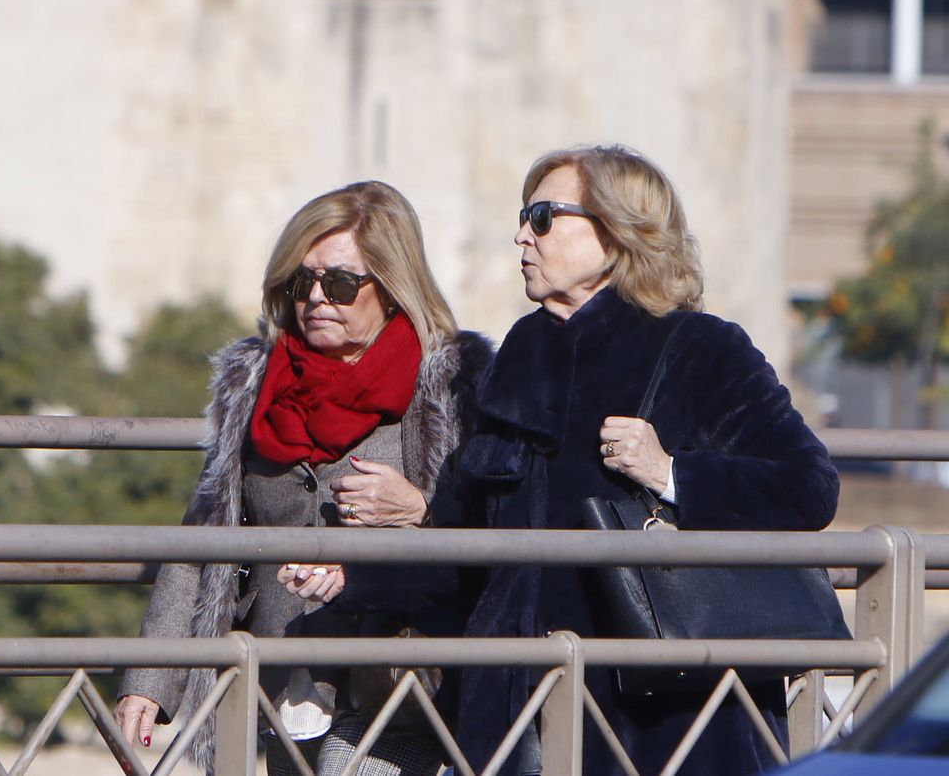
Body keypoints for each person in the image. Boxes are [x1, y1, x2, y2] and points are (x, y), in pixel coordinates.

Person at [326, 145, 841, 775]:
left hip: (666, 716)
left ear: (620, 231)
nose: (522, 234)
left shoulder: (700, 348)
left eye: (544, 216)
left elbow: (810, 489)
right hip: (519, 713)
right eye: (523, 215)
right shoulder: (519, 356)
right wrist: (353, 576)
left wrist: (671, 473)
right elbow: (468, 545)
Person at [113, 180, 492, 776]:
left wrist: (421, 508)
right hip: (277, 671)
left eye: (340, 283)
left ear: (392, 288)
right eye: (302, 281)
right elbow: (202, 538)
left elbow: (492, 527)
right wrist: (151, 677)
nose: (317, 297)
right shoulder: (255, 383)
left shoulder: (447, 384)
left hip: (393, 679)